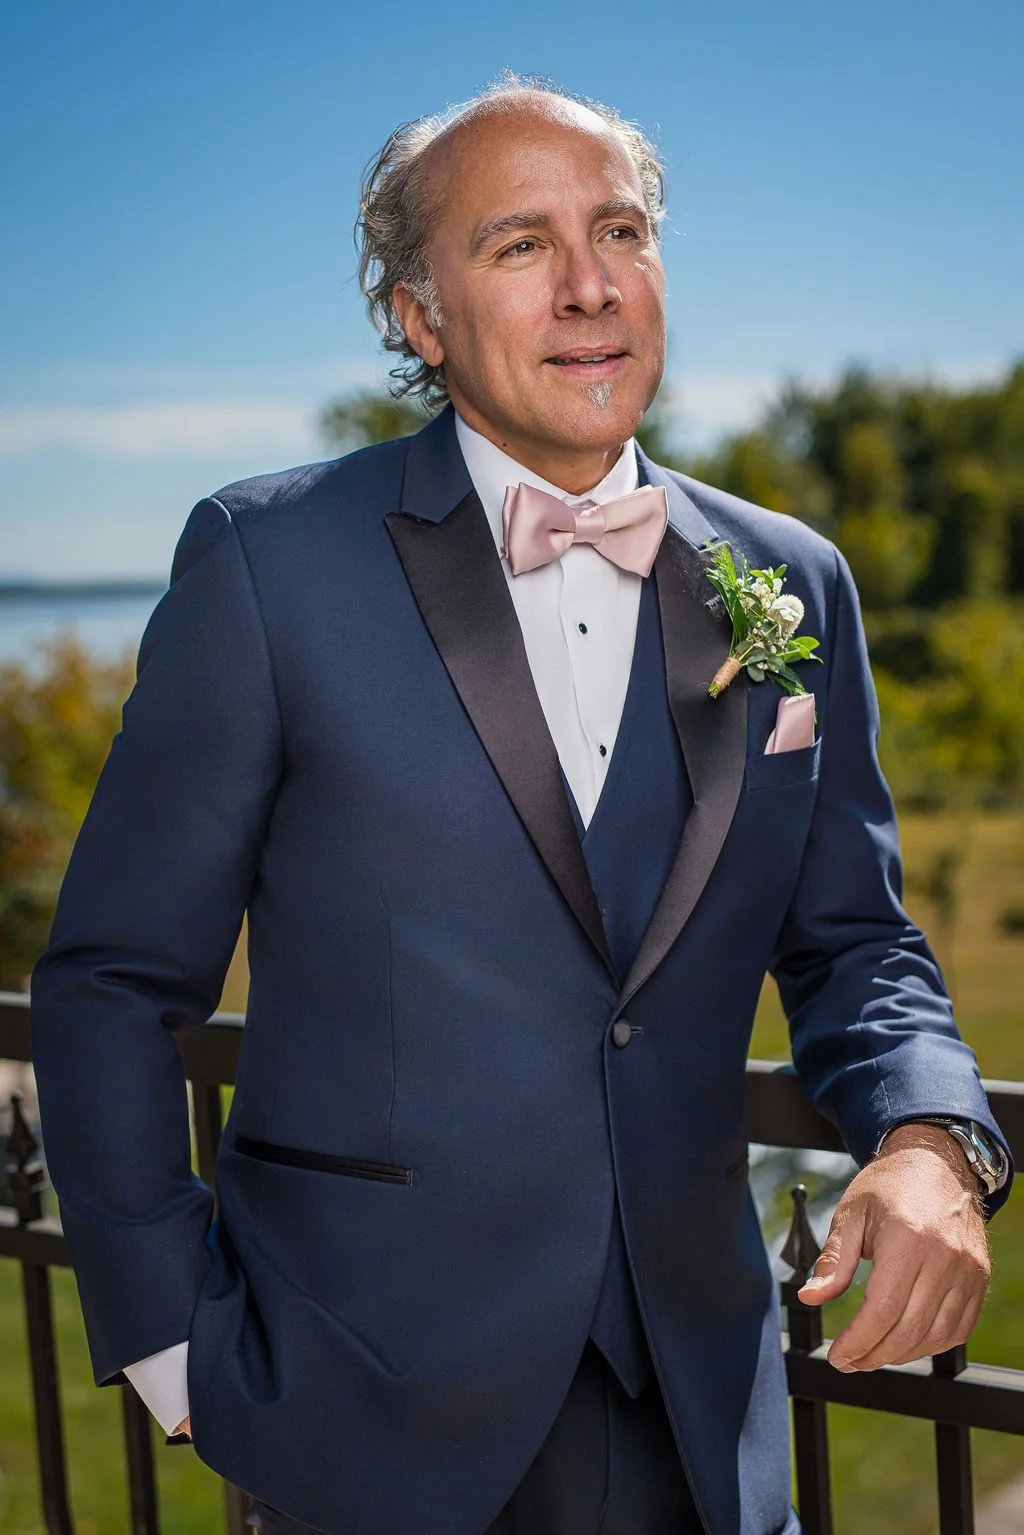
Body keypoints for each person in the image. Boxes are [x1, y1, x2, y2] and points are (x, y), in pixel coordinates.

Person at [30, 75, 1011, 1535]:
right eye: (521, 244)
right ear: (417, 318)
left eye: (619, 231)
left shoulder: (790, 580)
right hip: (364, 1410)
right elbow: (110, 980)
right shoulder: (267, 562)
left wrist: (934, 1139)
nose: (590, 286)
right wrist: (173, 1345)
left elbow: (857, 942)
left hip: (701, 1415)